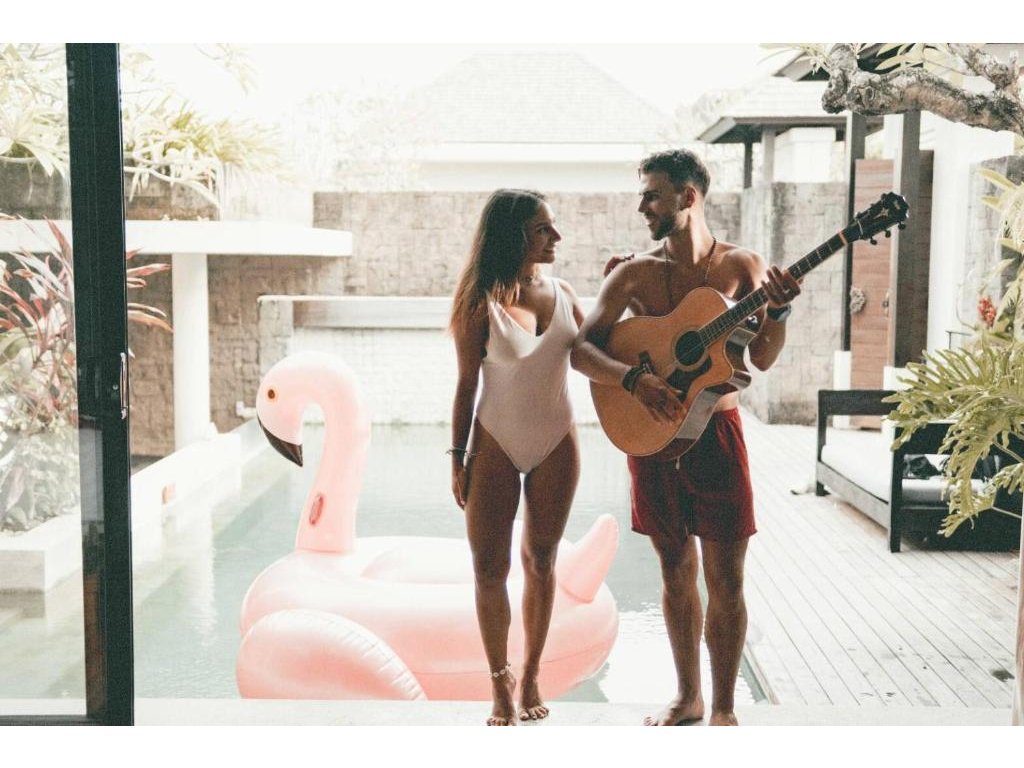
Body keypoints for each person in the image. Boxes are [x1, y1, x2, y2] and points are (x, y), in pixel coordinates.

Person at [570, 149, 800, 726]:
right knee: (674, 569)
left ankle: (724, 709)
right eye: (643, 195)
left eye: (652, 195)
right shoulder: (633, 275)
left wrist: (778, 315)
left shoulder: (742, 268)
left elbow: (762, 358)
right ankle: (688, 697)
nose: (642, 206)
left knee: (727, 578)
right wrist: (633, 379)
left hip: (717, 432)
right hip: (651, 435)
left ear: (688, 197)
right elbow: (582, 350)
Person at [449, 189, 585, 726]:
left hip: (557, 441)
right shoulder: (478, 302)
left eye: (553, 226)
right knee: (490, 569)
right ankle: (499, 680)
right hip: (494, 444)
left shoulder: (564, 292)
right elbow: (465, 386)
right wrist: (457, 458)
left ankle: (531, 674)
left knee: (542, 562)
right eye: (544, 229)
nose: (557, 237)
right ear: (514, 237)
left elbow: (597, 351)